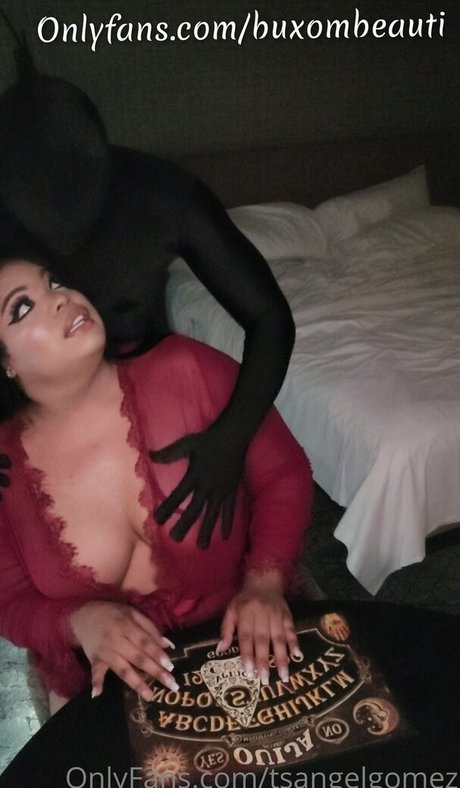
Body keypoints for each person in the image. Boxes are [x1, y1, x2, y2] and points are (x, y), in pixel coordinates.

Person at [0, 43, 296, 547]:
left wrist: (229, 441)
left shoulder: (164, 195)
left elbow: (270, 317)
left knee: (178, 536)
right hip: (34, 412)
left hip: (145, 393)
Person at [0, 254, 312, 714]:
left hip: (242, 643)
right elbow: (9, 601)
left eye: (55, 283)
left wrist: (264, 585)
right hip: (101, 687)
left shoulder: (187, 368)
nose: (61, 299)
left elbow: (283, 475)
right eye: (22, 308)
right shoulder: (5, 468)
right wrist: (82, 621)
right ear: (6, 363)